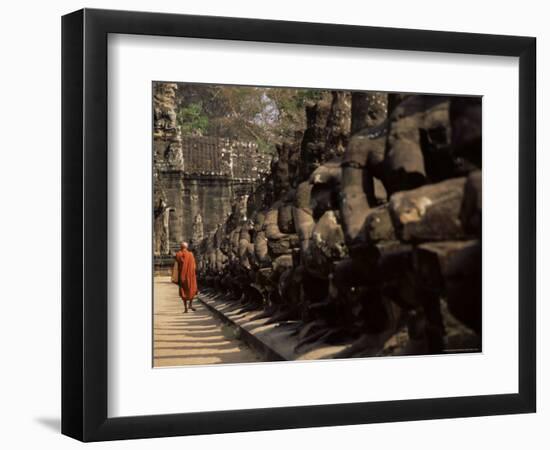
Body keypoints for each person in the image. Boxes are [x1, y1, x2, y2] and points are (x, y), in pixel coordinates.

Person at [175, 242, 198, 313]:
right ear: (187, 247)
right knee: (192, 289)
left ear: (181, 247)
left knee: (183, 292)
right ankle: (190, 305)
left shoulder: (178, 254)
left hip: (182, 277)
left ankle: (185, 308)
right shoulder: (191, 254)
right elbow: (194, 267)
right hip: (190, 276)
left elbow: (176, 266)